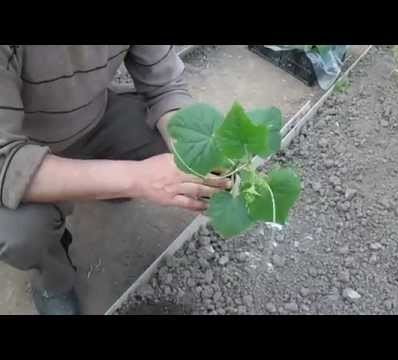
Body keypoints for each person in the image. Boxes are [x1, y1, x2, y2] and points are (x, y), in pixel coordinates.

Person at [0, 45, 229, 315]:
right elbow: (6, 160)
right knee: (21, 233)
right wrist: (138, 178)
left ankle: (104, 182)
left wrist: (186, 147)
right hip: (23, 145)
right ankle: (53, 280)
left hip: (95, 118)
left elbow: (166, 85)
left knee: (183, 144)